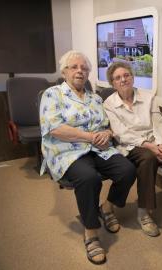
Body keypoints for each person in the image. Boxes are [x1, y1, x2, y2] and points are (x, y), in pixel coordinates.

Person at [39, 50, 137, 265]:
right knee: (89, 178)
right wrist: (90, 136)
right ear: (64, 71)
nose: (80, 71)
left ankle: (107, 207)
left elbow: (107, 125)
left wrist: (107, 133)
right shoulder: (52, 94)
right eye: (74, 67)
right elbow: (55, 128)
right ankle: (91, 233)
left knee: (128, 170)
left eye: (84, 68)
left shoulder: (95, 98)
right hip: (67, 151)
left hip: (99, 148)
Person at [103, 61, 162, 237]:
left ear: (133, 77)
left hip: (156, 139)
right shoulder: (109, 104)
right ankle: (144, 213)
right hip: (130, 145)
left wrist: (161, 145)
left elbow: (159, 123)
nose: (123, 80)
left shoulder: (148, 97)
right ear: (113, 83)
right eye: (118, 78)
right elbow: (121, 133)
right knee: (148, 158)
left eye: (126, 75)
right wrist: (149, 146)